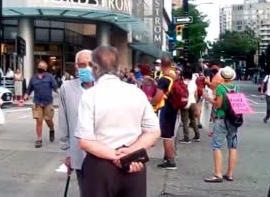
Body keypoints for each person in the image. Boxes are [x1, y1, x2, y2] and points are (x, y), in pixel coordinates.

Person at [75, 46, 160, 197]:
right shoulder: (136, 92)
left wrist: (116, 156)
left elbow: (85, 141)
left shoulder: (90, 96)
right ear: (118, 67)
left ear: (94, 68)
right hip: (133, 164)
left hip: (100, 166)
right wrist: (129, 152)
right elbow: (153, 131)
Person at [58, 50, 93, 195]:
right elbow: (63, 121)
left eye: (90, 64)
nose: (87, 68)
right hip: (79, 153)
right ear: (76, 67)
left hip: (106, 154)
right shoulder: (67, 88)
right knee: (85, 192)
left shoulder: (105, 88)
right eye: (82, 65)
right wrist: (68, 152)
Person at [202, 66, 239, 183]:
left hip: (221, 118)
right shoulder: (236, 87)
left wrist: (207, 98)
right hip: (234, 119)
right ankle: (230, 173)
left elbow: (218, 104)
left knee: (217, 146)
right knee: (232, 146)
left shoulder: (220, 88)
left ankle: (218, 174)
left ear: (222, 76)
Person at [23, 61, 59, 148]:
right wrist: (25, 96)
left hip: (48, 102)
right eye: (39, 66)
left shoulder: (49, 77)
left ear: (46, 69)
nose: (40, 67)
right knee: (39, 121)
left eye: (43, 66)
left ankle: (51, 129)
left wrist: (61, 94)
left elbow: (55, 87)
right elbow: (29, 89)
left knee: (48, 120)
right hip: (37, 103)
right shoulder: (33, 78)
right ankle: (39, 139)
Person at [152, 55, 179, 170]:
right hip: (174, 106)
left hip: (166, 107)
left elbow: (158, 98)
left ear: (162, 65)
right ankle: (167, 156)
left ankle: (171, 161)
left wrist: (150, 102)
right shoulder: (175, 75)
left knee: (166, 135)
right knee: (170, 133)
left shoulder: (163, 79)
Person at [180, 68, 200, 144]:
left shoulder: (182, 83)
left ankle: (186, 138)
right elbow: (196, 95)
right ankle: (197, 136)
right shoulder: (194, 83)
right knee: (193, 119)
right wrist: (196, 103)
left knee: (185, 121)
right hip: (193, 102)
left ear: (183, 75)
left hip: (185, 103)